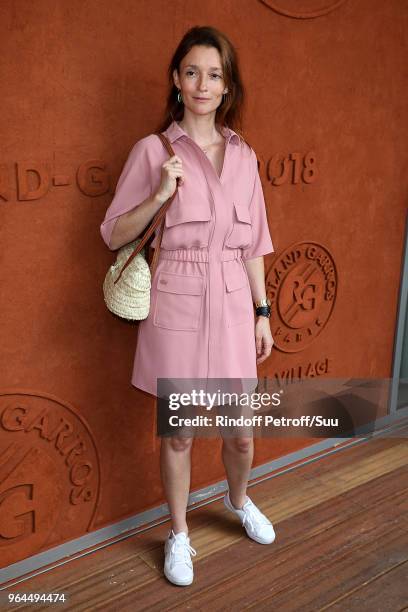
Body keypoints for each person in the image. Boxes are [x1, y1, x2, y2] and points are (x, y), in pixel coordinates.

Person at [100, 25, 276, 587]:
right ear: (177, 80)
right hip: (176, 299)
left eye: (215, 74)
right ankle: (178, 533)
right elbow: (111, 234)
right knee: (179, 433)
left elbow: (254, 244)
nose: (204, 84)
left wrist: (263, 311)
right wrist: (157, 194)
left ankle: (239, 499)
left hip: (230, 301)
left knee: (240, 431)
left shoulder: (245, 156)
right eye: (193, 71)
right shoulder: (153, 151)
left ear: (228, 87)